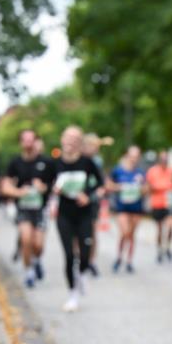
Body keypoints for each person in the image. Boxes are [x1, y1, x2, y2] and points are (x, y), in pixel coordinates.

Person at [52, 126, 105, 312]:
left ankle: (83, 273)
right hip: (64, 214)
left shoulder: (87, 162)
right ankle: (72, 294)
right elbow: (47, 185)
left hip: (84, 214)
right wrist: (52, 189)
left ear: (80, 142)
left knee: (84, 253)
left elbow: (100, 184)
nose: (71, 141)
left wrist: (88, 195)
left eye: (75, 138)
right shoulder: (55, 164)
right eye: (68, 137)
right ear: (62, 139)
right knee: (68, 255)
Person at [2, 129, 56, 288]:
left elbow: (56, 185)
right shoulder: (15, 163)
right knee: (26, 239)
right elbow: (5, 186)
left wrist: (44, 188)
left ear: (36, 141)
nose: (28, 143)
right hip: (24, 208)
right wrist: (18, 192)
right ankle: (29, 272)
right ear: (21, 142)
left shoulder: (47, 163)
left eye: (31, 140)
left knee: (38, 245)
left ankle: (37, 260)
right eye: (25, 140)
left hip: (41, 208)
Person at [107, 145, 146, 273]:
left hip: (136, 207)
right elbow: (108, 185)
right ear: (127, 156)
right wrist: (120, 187)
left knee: (131, 235)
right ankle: (119, 257)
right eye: (131, 156)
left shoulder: (140, 173)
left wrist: (140, 188)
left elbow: (147, 189)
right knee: (124, 232)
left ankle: (129, 261)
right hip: (122, 207)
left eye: (136, 157)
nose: (134, 159)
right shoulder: (118, 170)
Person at [146, 150, 172, 263]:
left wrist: (163, 187)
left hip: (169, 204)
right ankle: (159, 250)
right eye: (162, 159)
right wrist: (164, 187)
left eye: (166, 159)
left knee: (170, 227)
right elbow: (150, 187)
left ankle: (168, 247)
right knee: (159, 229)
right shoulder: (152, 171)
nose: (164, 161)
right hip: (157, 203)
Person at [82, 133, 105, 275]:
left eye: (96, 146)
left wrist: (97, 194)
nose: (94, 149)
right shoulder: (78, 159)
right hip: (77, 199)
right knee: (78, 233)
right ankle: (80, 259)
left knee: (92, 232)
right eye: (91, 146)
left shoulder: (97, 161)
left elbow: (101, 182)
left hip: (92, 200)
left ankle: (91, 261)